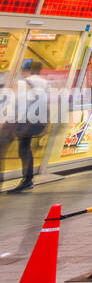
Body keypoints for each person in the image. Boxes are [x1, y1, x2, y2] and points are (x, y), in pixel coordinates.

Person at [5, 62, 48, 191]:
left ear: (27, 70)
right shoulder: (44, 83)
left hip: (24, 121)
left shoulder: (24, 83)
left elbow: (17, 103)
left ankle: (27, 180)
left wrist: (10, 121)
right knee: (25, 149)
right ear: (39, 70)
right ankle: (27, 179)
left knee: (23, 149)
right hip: (36, 121)